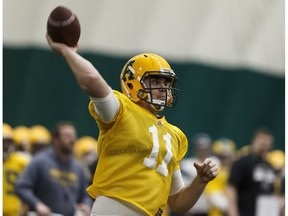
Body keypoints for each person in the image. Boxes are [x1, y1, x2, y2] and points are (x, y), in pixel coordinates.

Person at [46, 34, 218, 216]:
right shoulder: (121, 109)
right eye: (155, 81)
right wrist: (69, 53)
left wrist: (201, 180)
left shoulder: (175, 135)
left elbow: (178, 203)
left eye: (166, 83)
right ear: (133, 82)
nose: (163, 88)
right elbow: (91, 80)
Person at [15, 121, 92, 216]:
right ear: (56, 139)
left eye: (74, 136)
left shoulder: (78, 167)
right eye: (67, 136)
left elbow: (85, 195)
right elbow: (21, 187)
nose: (72, 140)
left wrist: (86, 205)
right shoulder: (40, 161)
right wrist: (37, 204)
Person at [227, 127, 276, 216]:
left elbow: (270, 192)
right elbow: (231, 187)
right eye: (261, 140)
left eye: (267, 141)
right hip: (245, 212)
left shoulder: (270, 166)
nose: (264, 144)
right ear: (254, 140)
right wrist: (233, 212)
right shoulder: (242, 162)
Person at [179, 133, 220, 216]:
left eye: (205, 149)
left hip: (208, 209)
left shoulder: (216, 162)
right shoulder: (187, 165)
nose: (203, 151)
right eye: (200, 149)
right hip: (190, 209)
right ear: (196, 149)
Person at [3, 123, 30, 216]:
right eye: (2, 142)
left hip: (15, 211)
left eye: (7, 142)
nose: (5, 146)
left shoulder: (22, 161)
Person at [205, 137, 236, 216]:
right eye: (222, 157)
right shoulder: (212, 170)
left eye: (228, 156)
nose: (226, 159)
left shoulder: (234, 170)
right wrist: (231, 207)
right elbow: (213, 196)